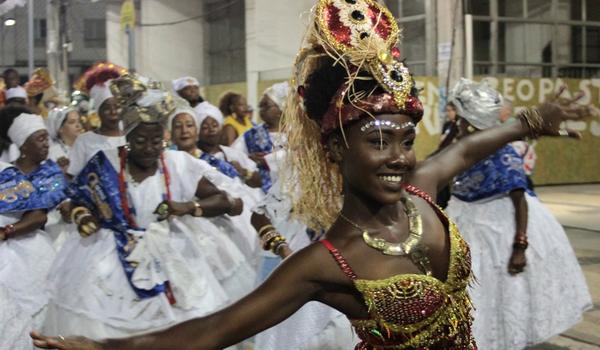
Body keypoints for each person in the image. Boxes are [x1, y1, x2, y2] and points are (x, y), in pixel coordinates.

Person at [31, 0, 593, 349]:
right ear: (333, 149)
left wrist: (533, 120)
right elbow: (212, 331)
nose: (398, 155)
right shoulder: (327, 261)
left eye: (404, 139)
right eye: (377, 141)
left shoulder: (420, 191)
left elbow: (467, 151)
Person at [41, 74, 248, 341]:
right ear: (127, 137)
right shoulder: (105, 163)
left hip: (170, 255)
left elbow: (225, 201)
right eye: (140, 141)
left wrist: (187, 207)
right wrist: (82, 216)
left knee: (181, 329)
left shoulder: (178, 163)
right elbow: (74, 200)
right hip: (107, 259)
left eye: (156, 141)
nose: (150, 149)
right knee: (100, 326)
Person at [445, 79, 592, 350]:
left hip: (496, 230)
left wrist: (520, 245)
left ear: (471, 121)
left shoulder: (499, 152)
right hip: (467, 222)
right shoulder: (462, 144)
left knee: (500, 293)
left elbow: (519, 198)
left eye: (457, 115)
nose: (452, 118)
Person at [0, 107, 68, 329]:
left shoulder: (9, 175)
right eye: (40, 139)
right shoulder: (11, 169)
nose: (46, 144)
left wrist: (7, 231)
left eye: (46, 138)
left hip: (38, 241)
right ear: (23, 145)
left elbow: (39, 214)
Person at [67, 64, 127, 177]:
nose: (113, 112)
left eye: (117, 107)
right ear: (98, 111)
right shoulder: (84, 141)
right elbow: (72, 176)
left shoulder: (130, 138)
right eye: (107, 108)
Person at [232, 82, 288, 192]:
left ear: (281, 109)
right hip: (259, 190)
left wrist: (269, 160)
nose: (261, 110)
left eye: (266, 105)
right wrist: (248, 161)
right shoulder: (251, 134)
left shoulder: (296, 134)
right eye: (260, 106)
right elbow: (234, 156)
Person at [47, 107, 83, 174]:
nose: (78, 125)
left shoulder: (84, 147)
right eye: (72, 122)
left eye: (79, 121)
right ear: (60, 128)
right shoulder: (53, 153)